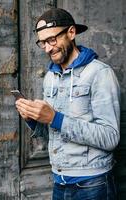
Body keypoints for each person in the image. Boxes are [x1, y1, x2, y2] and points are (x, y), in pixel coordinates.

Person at [16, 8, 120, 200]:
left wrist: (56, 118)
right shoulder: (50, 77)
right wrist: (33, 120)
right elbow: (53, 135)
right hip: (59, 181)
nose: (47, 48)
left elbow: (111, 138)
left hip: (93, 184)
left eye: (52, 40)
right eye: (42, 43)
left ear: (71, 33)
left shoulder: (100, 73)